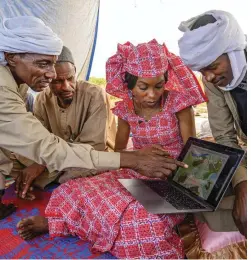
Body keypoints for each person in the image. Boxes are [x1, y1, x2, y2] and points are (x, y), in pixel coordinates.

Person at [17, 39, 206, 259]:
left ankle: (71, 224)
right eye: (143, 87)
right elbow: (120, 154)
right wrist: (130, 171)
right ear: (130, 85)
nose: (152, 95)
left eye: (159, 86)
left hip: (170, 173)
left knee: (141, 219)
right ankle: (58, 222)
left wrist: (183, 183)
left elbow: (192, 151)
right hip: (135, 168)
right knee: (74, 190)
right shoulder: (126, 108)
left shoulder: (178, 104)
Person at [0, 16, 187, 220]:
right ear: (10, 57)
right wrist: (133, 159)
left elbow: (90, 145)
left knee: (79, 177)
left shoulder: (89, 94)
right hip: (65, 157)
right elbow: (43, 146)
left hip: (81, 158)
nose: (52, 75)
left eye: (54, 67)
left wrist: (133, 160)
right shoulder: (19, 93)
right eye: (43, 64)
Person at [178, 10, 247, 238]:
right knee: (200, 196)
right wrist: (242, 183)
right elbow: (225, 138)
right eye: (201, 71)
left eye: (213, 67)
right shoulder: (215, 81)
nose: (207, 77)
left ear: (234, 51)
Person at [10, 46, 117, 189]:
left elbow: (94, 144)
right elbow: (38, 141)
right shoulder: (42, 99)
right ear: (48, 79)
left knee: (84, 168)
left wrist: (43, 164)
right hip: (54, 157)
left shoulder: (95, 94)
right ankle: (51, 176)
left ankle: (45, 177)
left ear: (75, 73)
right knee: (11, 158)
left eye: (70, 79)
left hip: (89, 156)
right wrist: (44, 161)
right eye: (58, 81)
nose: (66, 86)